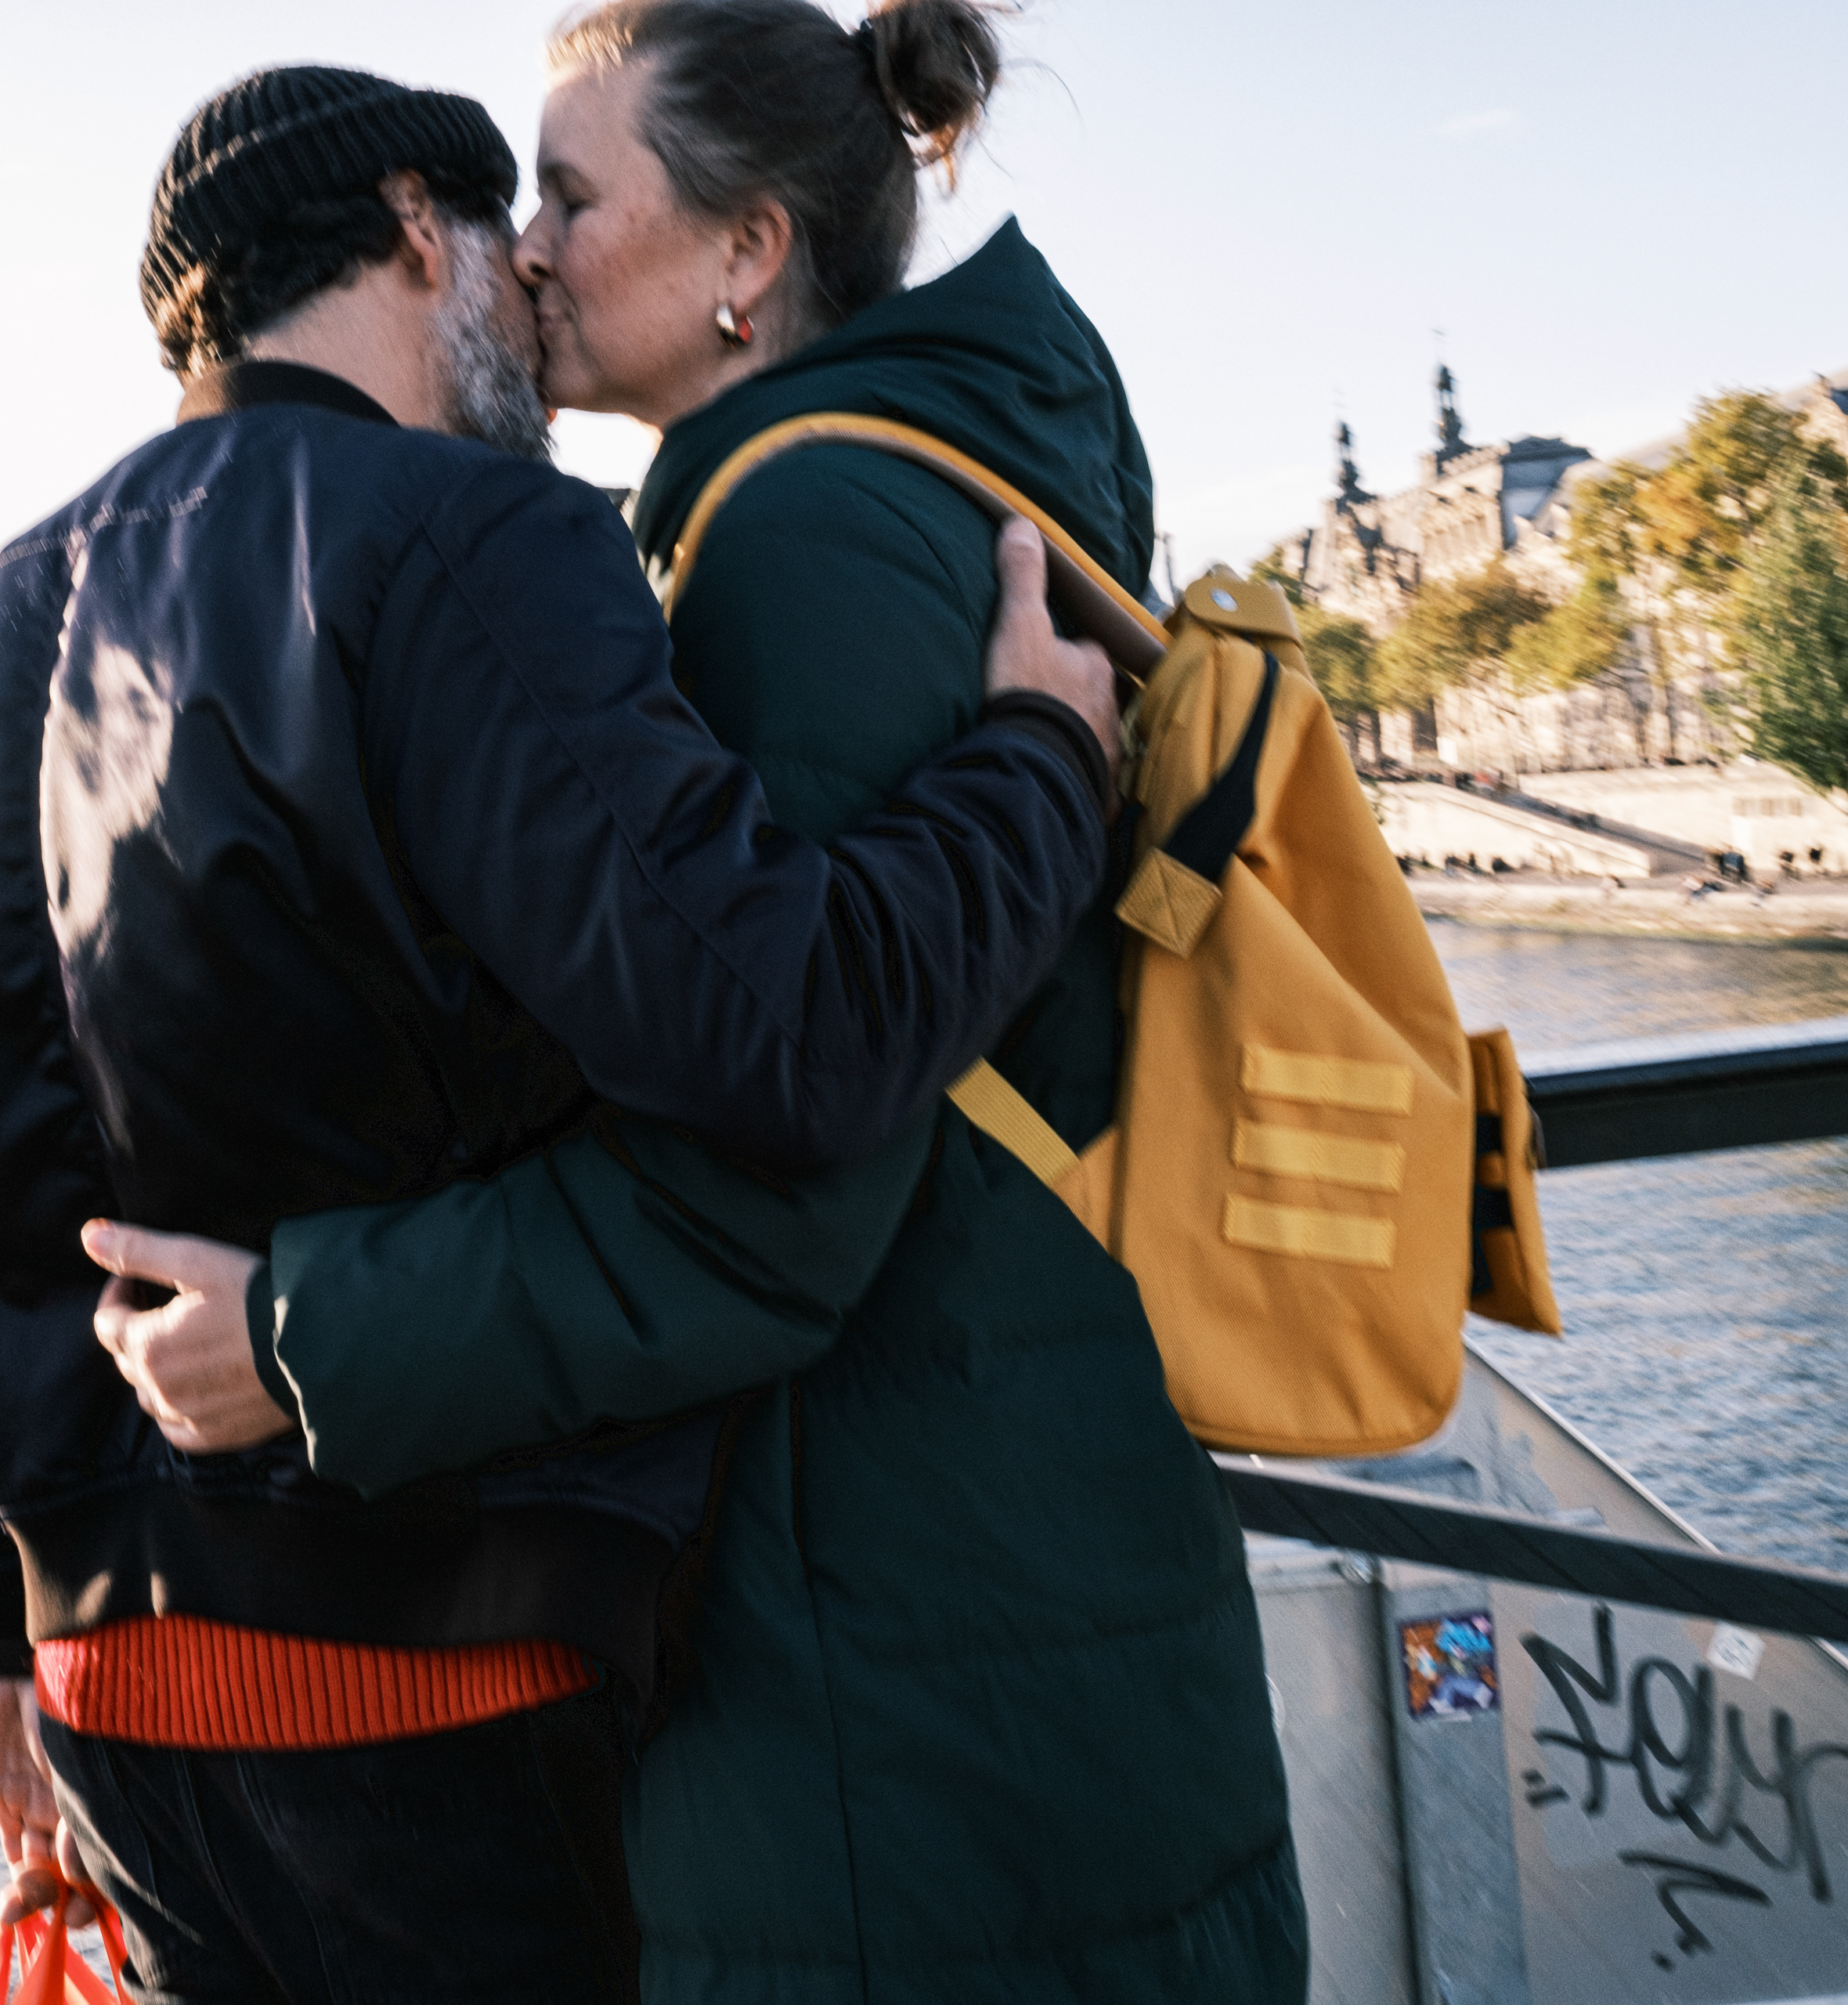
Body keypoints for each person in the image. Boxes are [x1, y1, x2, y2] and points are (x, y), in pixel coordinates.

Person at [0, 59, 1124, 2005]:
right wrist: (1042, 760)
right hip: (431, 1665)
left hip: (110, 1699)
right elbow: (793, 1033)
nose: (531, 284)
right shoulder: (455, 539)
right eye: (501, 235)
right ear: (415, 236)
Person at [92, 4, 1306, 1997]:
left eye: (570, 193)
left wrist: (314, 1325)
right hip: (1035, 1596)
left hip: (886, 1694)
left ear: (748, 254)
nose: (524, 246)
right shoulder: (952, 458)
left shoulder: (801, 533)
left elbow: (778, 1170)